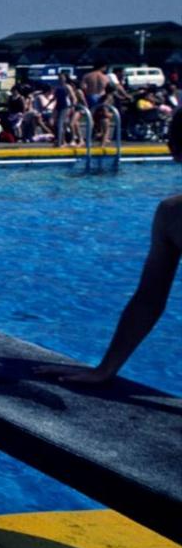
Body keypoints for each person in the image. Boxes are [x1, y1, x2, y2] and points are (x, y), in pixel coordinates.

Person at [37, 123, 181, 385]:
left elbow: (149, 300)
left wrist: (105, 369)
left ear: (173, 150)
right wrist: (104, 370)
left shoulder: (172, 214)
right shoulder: (171, 213)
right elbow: (148, 300)